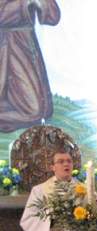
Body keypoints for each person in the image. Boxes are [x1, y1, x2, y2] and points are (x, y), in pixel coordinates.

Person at [0, 0, 61, 132]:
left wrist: (41, 3)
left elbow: (53, 17)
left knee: (44, 110)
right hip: (6, 47)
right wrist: (25, 3)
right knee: (33, 111)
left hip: (26, 45)